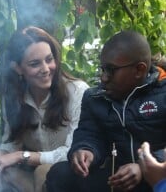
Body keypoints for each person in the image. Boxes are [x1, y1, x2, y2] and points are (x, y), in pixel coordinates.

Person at [0, 26, 89, 192]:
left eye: (49, 59)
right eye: (35, 64)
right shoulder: (13, 98)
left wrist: (22, 157)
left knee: (44, 172)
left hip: (70, 177)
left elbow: (74, 150)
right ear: (18, 68)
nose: (46, 69)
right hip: (33, 178)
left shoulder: (77, 91)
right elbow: (12, 141)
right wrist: (0, 154)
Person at [45, 30, 166, 192]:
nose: (104, 78)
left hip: (156, 179)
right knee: (60, 174)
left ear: (139, 70)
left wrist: (142, 168)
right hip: (117, 179)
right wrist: (86, 150)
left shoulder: (162, 94)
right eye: (102, 69)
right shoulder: (95, 98)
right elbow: (89, 134)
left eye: (111, 70)